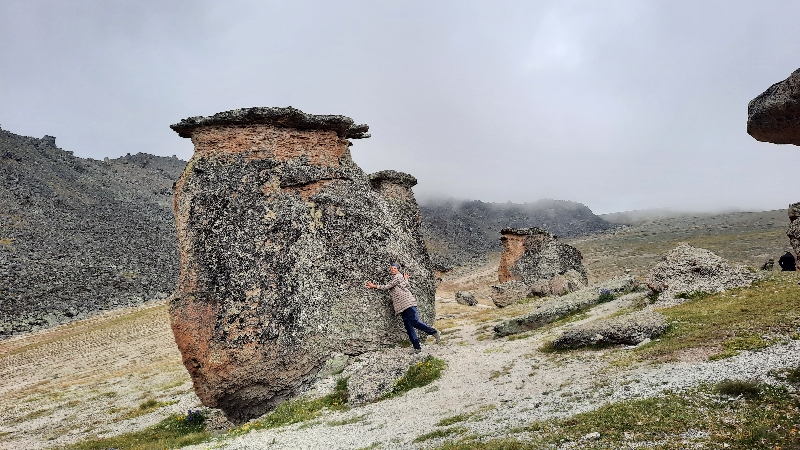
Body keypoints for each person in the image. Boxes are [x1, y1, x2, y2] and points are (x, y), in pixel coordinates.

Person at [366, 263, 440, 353]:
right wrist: (406, 279)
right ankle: (417, 348)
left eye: (394, 268)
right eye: (391, 268)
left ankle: (433, 332)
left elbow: (387, 287)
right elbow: (405, 285)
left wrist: (374, 286)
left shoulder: (398, 277)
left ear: (398, 269)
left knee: (414, 321)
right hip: (401, 307)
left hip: (408, 303)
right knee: (409, 327)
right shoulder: (400, 278)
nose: (392, 270)